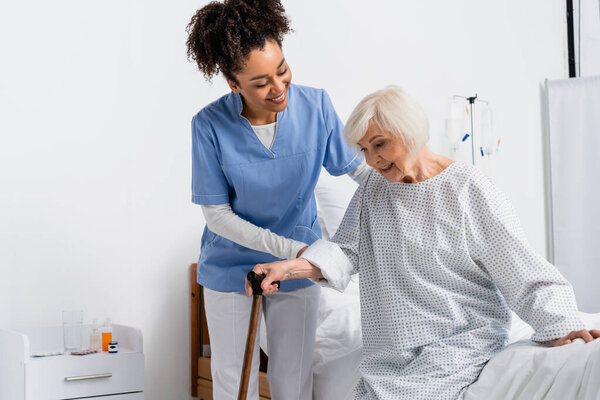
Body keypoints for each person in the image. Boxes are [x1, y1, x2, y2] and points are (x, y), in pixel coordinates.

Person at [246, 85, 600, 399]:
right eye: (364, 149)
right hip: (392, 350)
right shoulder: (373, 189)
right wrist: (289, 267)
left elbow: (519, 266)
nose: (371, 160)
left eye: (380, 144)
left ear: (410, 133)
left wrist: (563, 325)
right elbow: (346, 250)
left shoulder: (468, 190)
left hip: (462, 339)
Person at [186, 1, 369, 399]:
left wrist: (416, 183)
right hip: (231, 265)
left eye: (282, 70)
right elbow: (217, 215)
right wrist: (296, 250)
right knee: (235, 381)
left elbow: (362, 172)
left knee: (294, 380)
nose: (278, 87)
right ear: (234, 85)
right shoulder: (209, 126)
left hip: (299, 267)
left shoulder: (316, 106)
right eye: (260, 82)